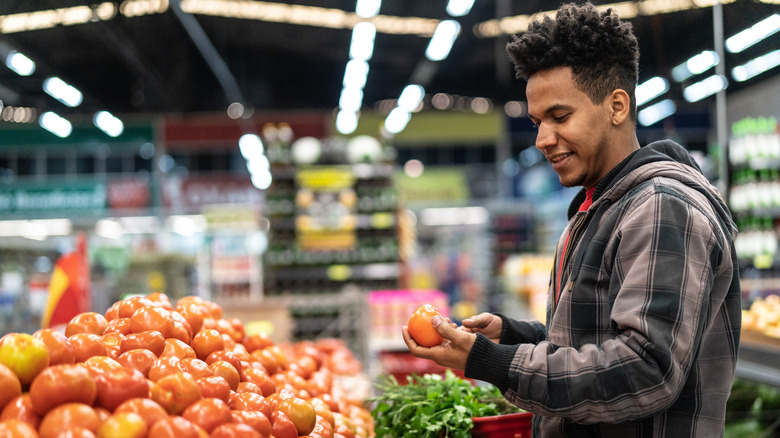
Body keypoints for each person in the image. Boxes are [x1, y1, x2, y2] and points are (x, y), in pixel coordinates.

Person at [402, 3, 742, 436]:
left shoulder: (661, 207)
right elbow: (596, 338)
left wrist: (494, 362)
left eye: (560, 117)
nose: (543, 139)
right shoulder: (601, 205)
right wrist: (513, 336)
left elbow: (645, 369)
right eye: (538, 121)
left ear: (617, 105)